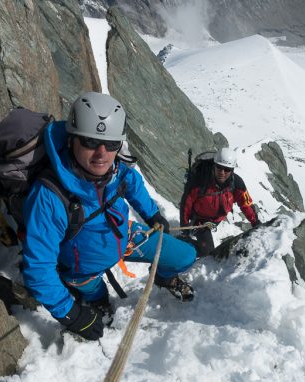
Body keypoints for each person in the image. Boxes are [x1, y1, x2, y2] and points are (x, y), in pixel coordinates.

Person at [21, 92, 197, 341]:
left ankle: (163, 277)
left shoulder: (116, 170)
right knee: (96, 294)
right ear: (72, 140)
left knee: (185, 256)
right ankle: (98, 300)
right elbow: (38, 268)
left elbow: (132, 181)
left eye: (111, 144)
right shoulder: (49, 196)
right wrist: (71, 314)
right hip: (81, 269)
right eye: (91, 142)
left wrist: (152, 214)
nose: (102, 153)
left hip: (123, 236)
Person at [179, 148, 260, 257]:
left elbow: (246, 204)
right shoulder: (200, 181)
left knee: (207, 251)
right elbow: (186, 205)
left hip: (214, 220)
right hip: (199, 220)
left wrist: (255, 222)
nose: (222, 172)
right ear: (214, 166)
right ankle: (180, 243)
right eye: (219, 168)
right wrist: (184, 229)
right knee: (206, 252)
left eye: (226, 169)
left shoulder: (236, 183)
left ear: (232, 170)